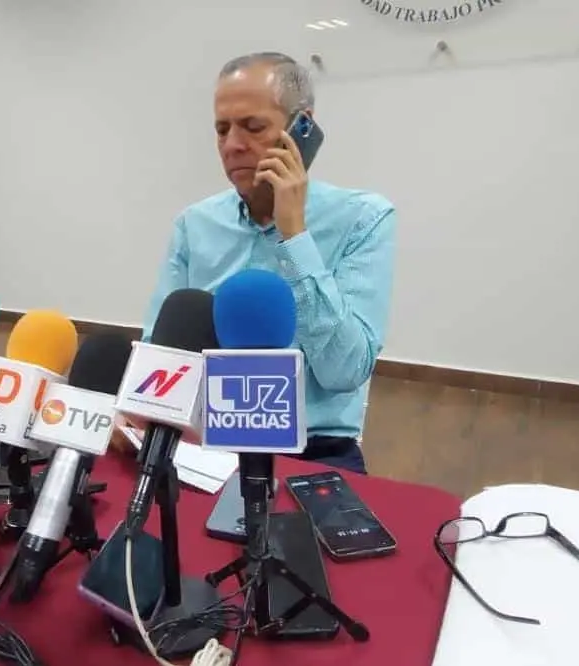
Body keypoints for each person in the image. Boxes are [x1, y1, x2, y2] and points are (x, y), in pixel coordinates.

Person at [111, 53, 396, 474]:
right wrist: (133, 412)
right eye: (222, 129)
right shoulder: (195, 224)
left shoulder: (363, 219)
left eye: (253, 126)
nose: (232, 145)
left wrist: (294, 235)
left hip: (313, 450)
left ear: (302, 128)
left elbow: (345, 371)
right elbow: (162, 350)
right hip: (199, 447)